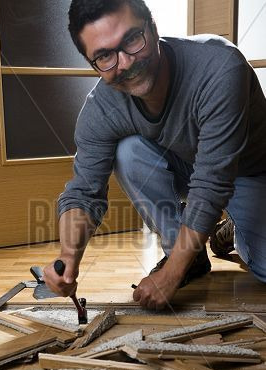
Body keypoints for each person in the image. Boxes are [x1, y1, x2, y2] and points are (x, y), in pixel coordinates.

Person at [43, 0, 266, 310]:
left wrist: (171, 275)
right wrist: (68, 256)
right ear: (91, 62)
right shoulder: (101, 108)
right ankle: (191, 256)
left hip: (249, 171)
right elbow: (83, 193)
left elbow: (212, 184)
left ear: (153, 26)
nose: (125, 63)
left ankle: (234, 231)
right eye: (104, 56)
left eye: (132, 39)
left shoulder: (219, 65)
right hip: (191, 168)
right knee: (129, 150)